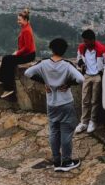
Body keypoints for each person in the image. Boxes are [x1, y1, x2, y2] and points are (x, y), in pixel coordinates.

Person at [25, 38, 84, 172]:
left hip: (51, 102)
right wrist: (68, 84)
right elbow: (80, 79)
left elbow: (27, 73)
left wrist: (44, 82)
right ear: (64, 50)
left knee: (53, 132)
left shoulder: (44, 63)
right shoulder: (67, 65)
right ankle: (67, 161)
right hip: (65, 102)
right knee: (66, 133)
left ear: (51, 49)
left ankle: (56, 160)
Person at [0, 8, 36, 99]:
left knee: (8, 60)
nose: (18, 21)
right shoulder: (26, 27)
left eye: (19, 20)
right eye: (18, 19)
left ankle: (8, 88)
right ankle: (1, 79)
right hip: (27, 53)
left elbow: (27, 47)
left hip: (29, 55)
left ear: (25, 20)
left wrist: (17, 53)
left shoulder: (27, 30)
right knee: (6, 59)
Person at [75, 29, 105, 135]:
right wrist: (81, 64)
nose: (85, 43)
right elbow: (78, 59)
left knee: (94, 101)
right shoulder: (82, 48)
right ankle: (83, 122)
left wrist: (102, 73)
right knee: (85, 99)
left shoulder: (101, 49)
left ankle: (92, 121)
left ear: (93, 40)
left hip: (97, 76)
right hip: (87, 75)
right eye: (84, 41)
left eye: (87, 41)